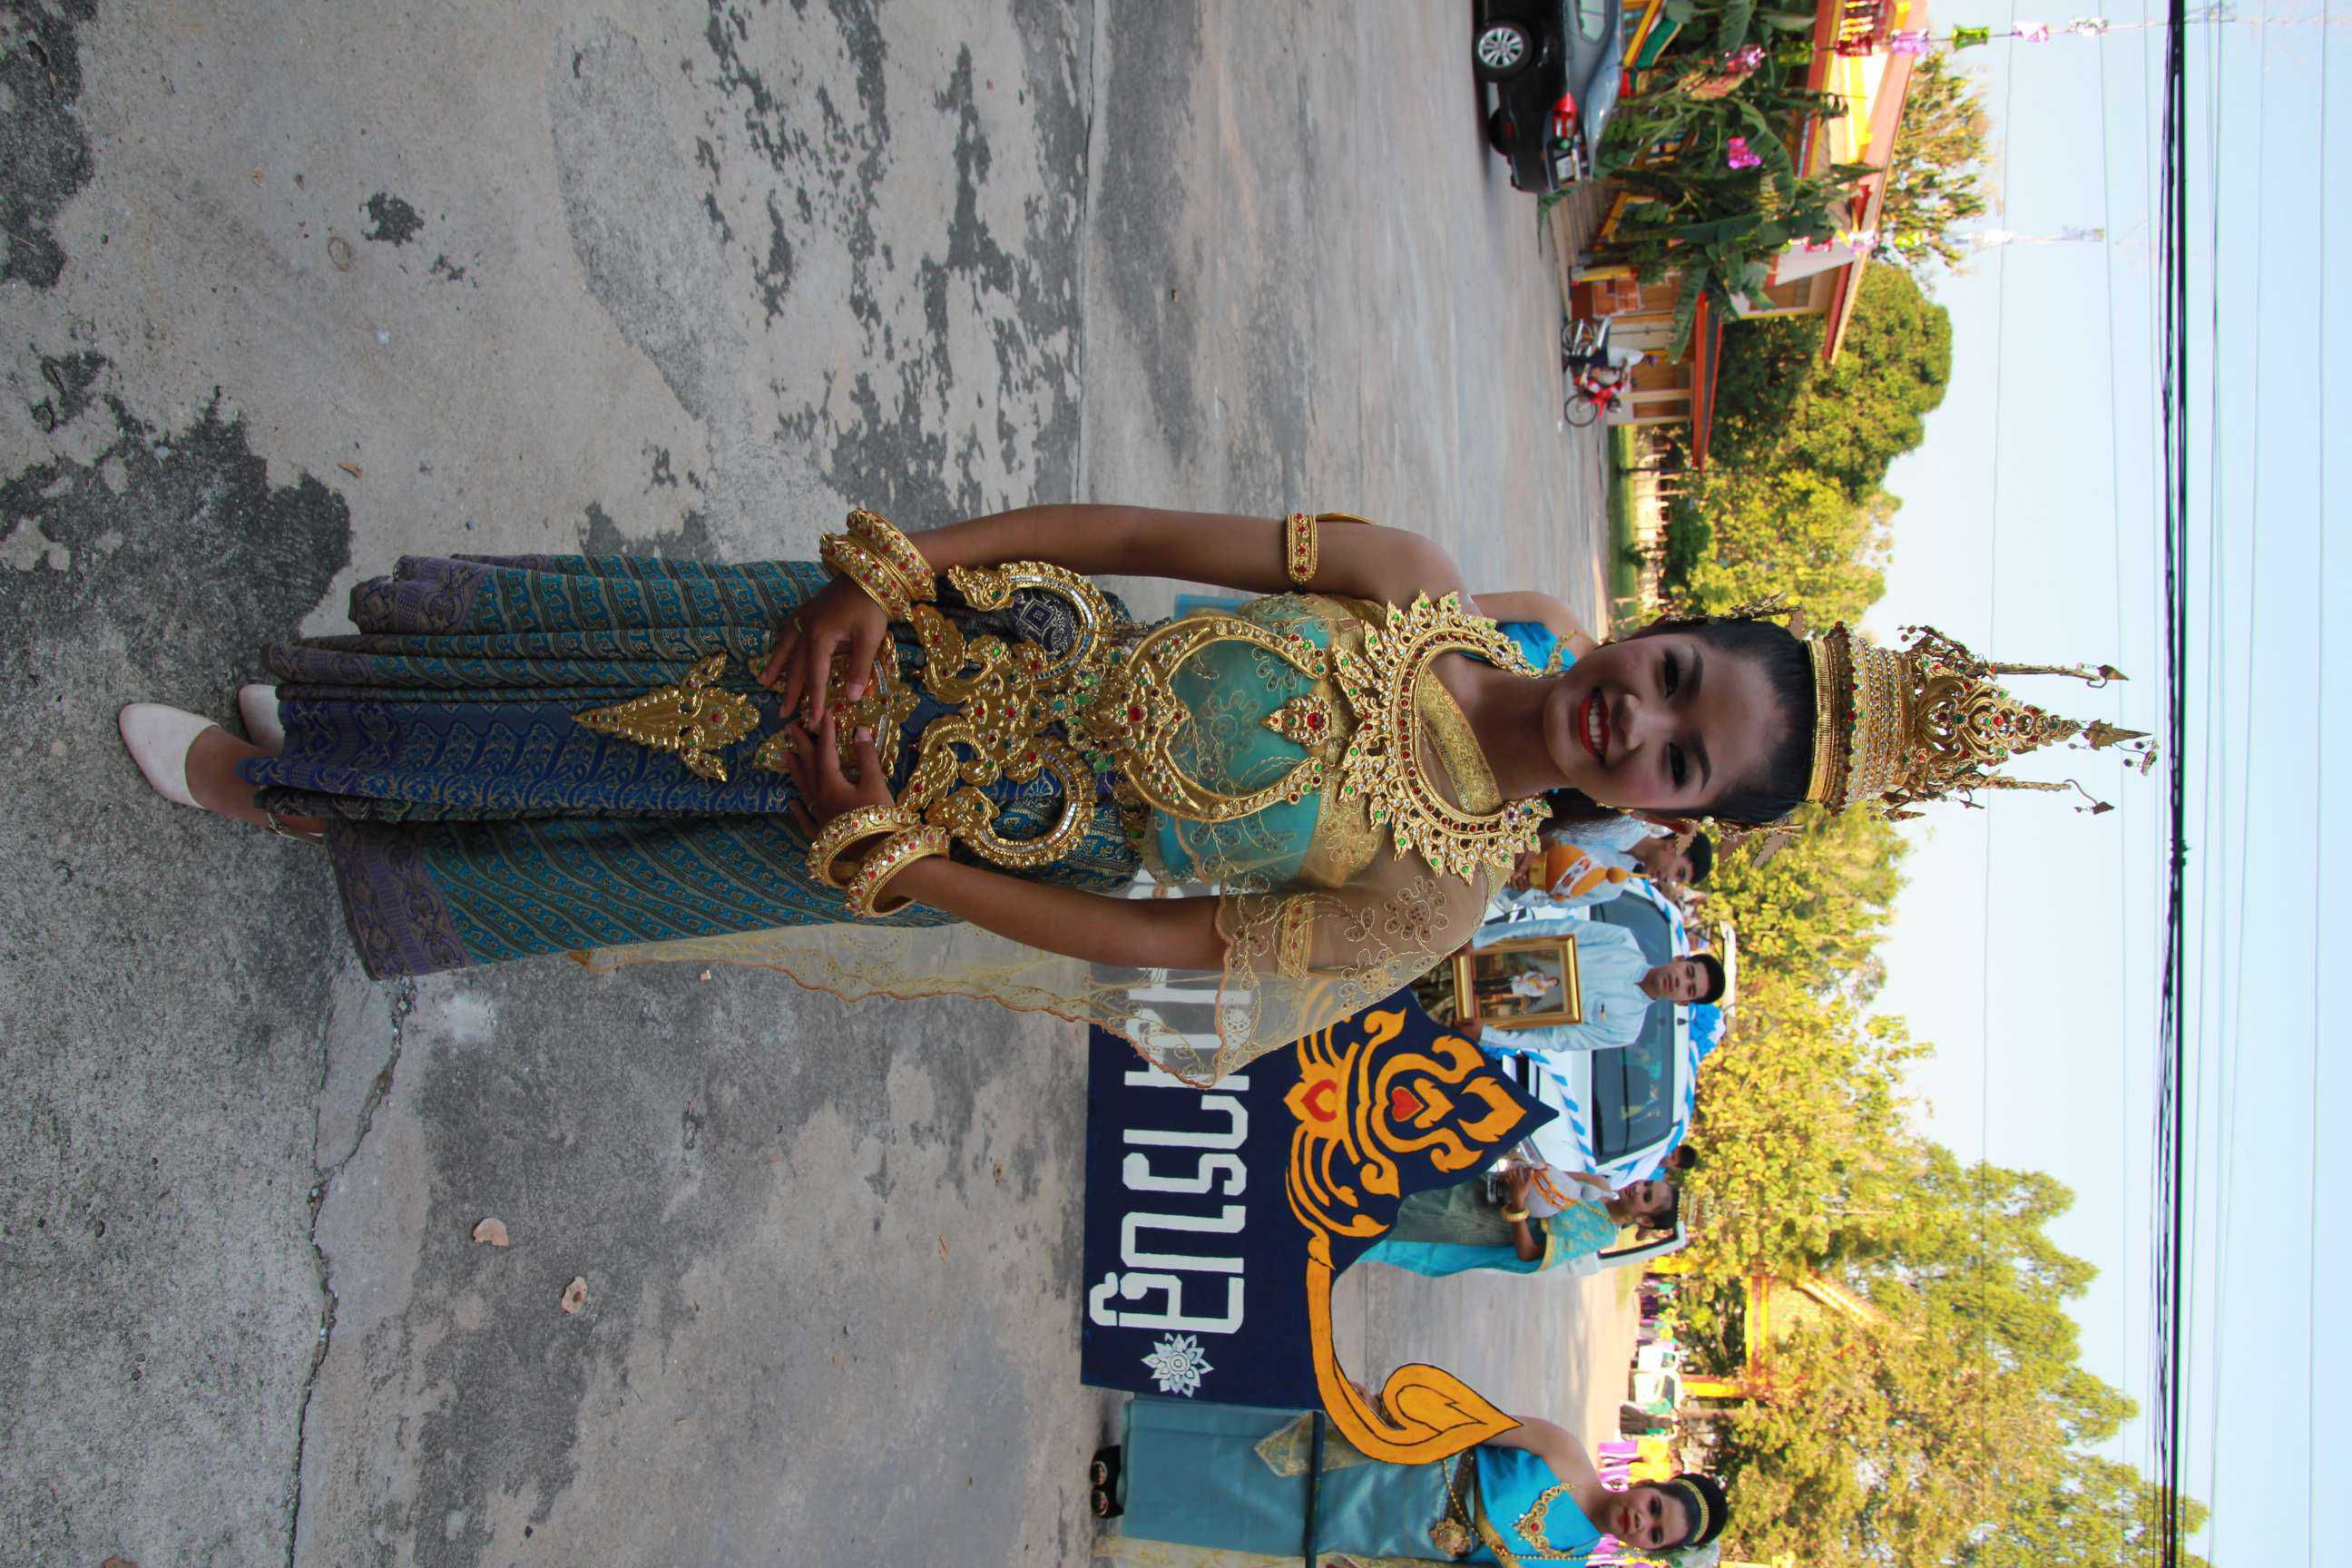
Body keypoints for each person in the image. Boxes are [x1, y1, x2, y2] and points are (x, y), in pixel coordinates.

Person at [118, 503, 2130, 1081]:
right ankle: (340, 717)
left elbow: (1154, 940)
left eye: (1679, 756)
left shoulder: (1436, 901)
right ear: (1664, 629)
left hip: (953, 837)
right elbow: (1134, 530)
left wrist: (899, 861)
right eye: (1675, 675)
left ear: (1671, 814)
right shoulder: (1414, 584)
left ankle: (284, 786)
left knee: (635, 821)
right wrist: (893, 572)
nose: (1637, 717)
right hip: (934, 643)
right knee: (644, 673)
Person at [1100, 1396, 1730, 1564]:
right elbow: (1475, 1422)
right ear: (1651, 1484)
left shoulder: (1568, 1563)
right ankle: (1140, 1455)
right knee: (1270, 1461)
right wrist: (1390, 1413)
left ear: (1651, 1551)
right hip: (1399, 1467)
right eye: (1655, 1506)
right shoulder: (1565, 1450)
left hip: (1388, 1540)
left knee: (1261, 1521)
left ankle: (1136, 1499)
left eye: (1654, 1534)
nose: (1641, 1520)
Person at [1457, 907, 1724, 1056]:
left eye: (1689, 989)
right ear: (1680, 959)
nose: (1679, 981)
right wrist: (1477, 941)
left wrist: (1485, 1034)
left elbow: (1554, 1038)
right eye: (1688, 971)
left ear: (1683, 1002)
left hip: (1475, 1015)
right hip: (1470, 958)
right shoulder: (1621, 941)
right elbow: (1547, 930)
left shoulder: (1625, 1030)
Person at [1358, 1167, 1677, 1278]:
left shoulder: (1601, 1234)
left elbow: (1529, 1253)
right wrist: (1520, 1172)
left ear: (1644, 1219)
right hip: (1479, 1187)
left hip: (1473, 1224)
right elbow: (1543, 1173)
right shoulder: (1599, 1185)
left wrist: (1519, 1203)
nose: (1639, 1187)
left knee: (1390, 1220)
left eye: (1646, 1196)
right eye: (1648, 1183)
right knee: (1394, 1182)